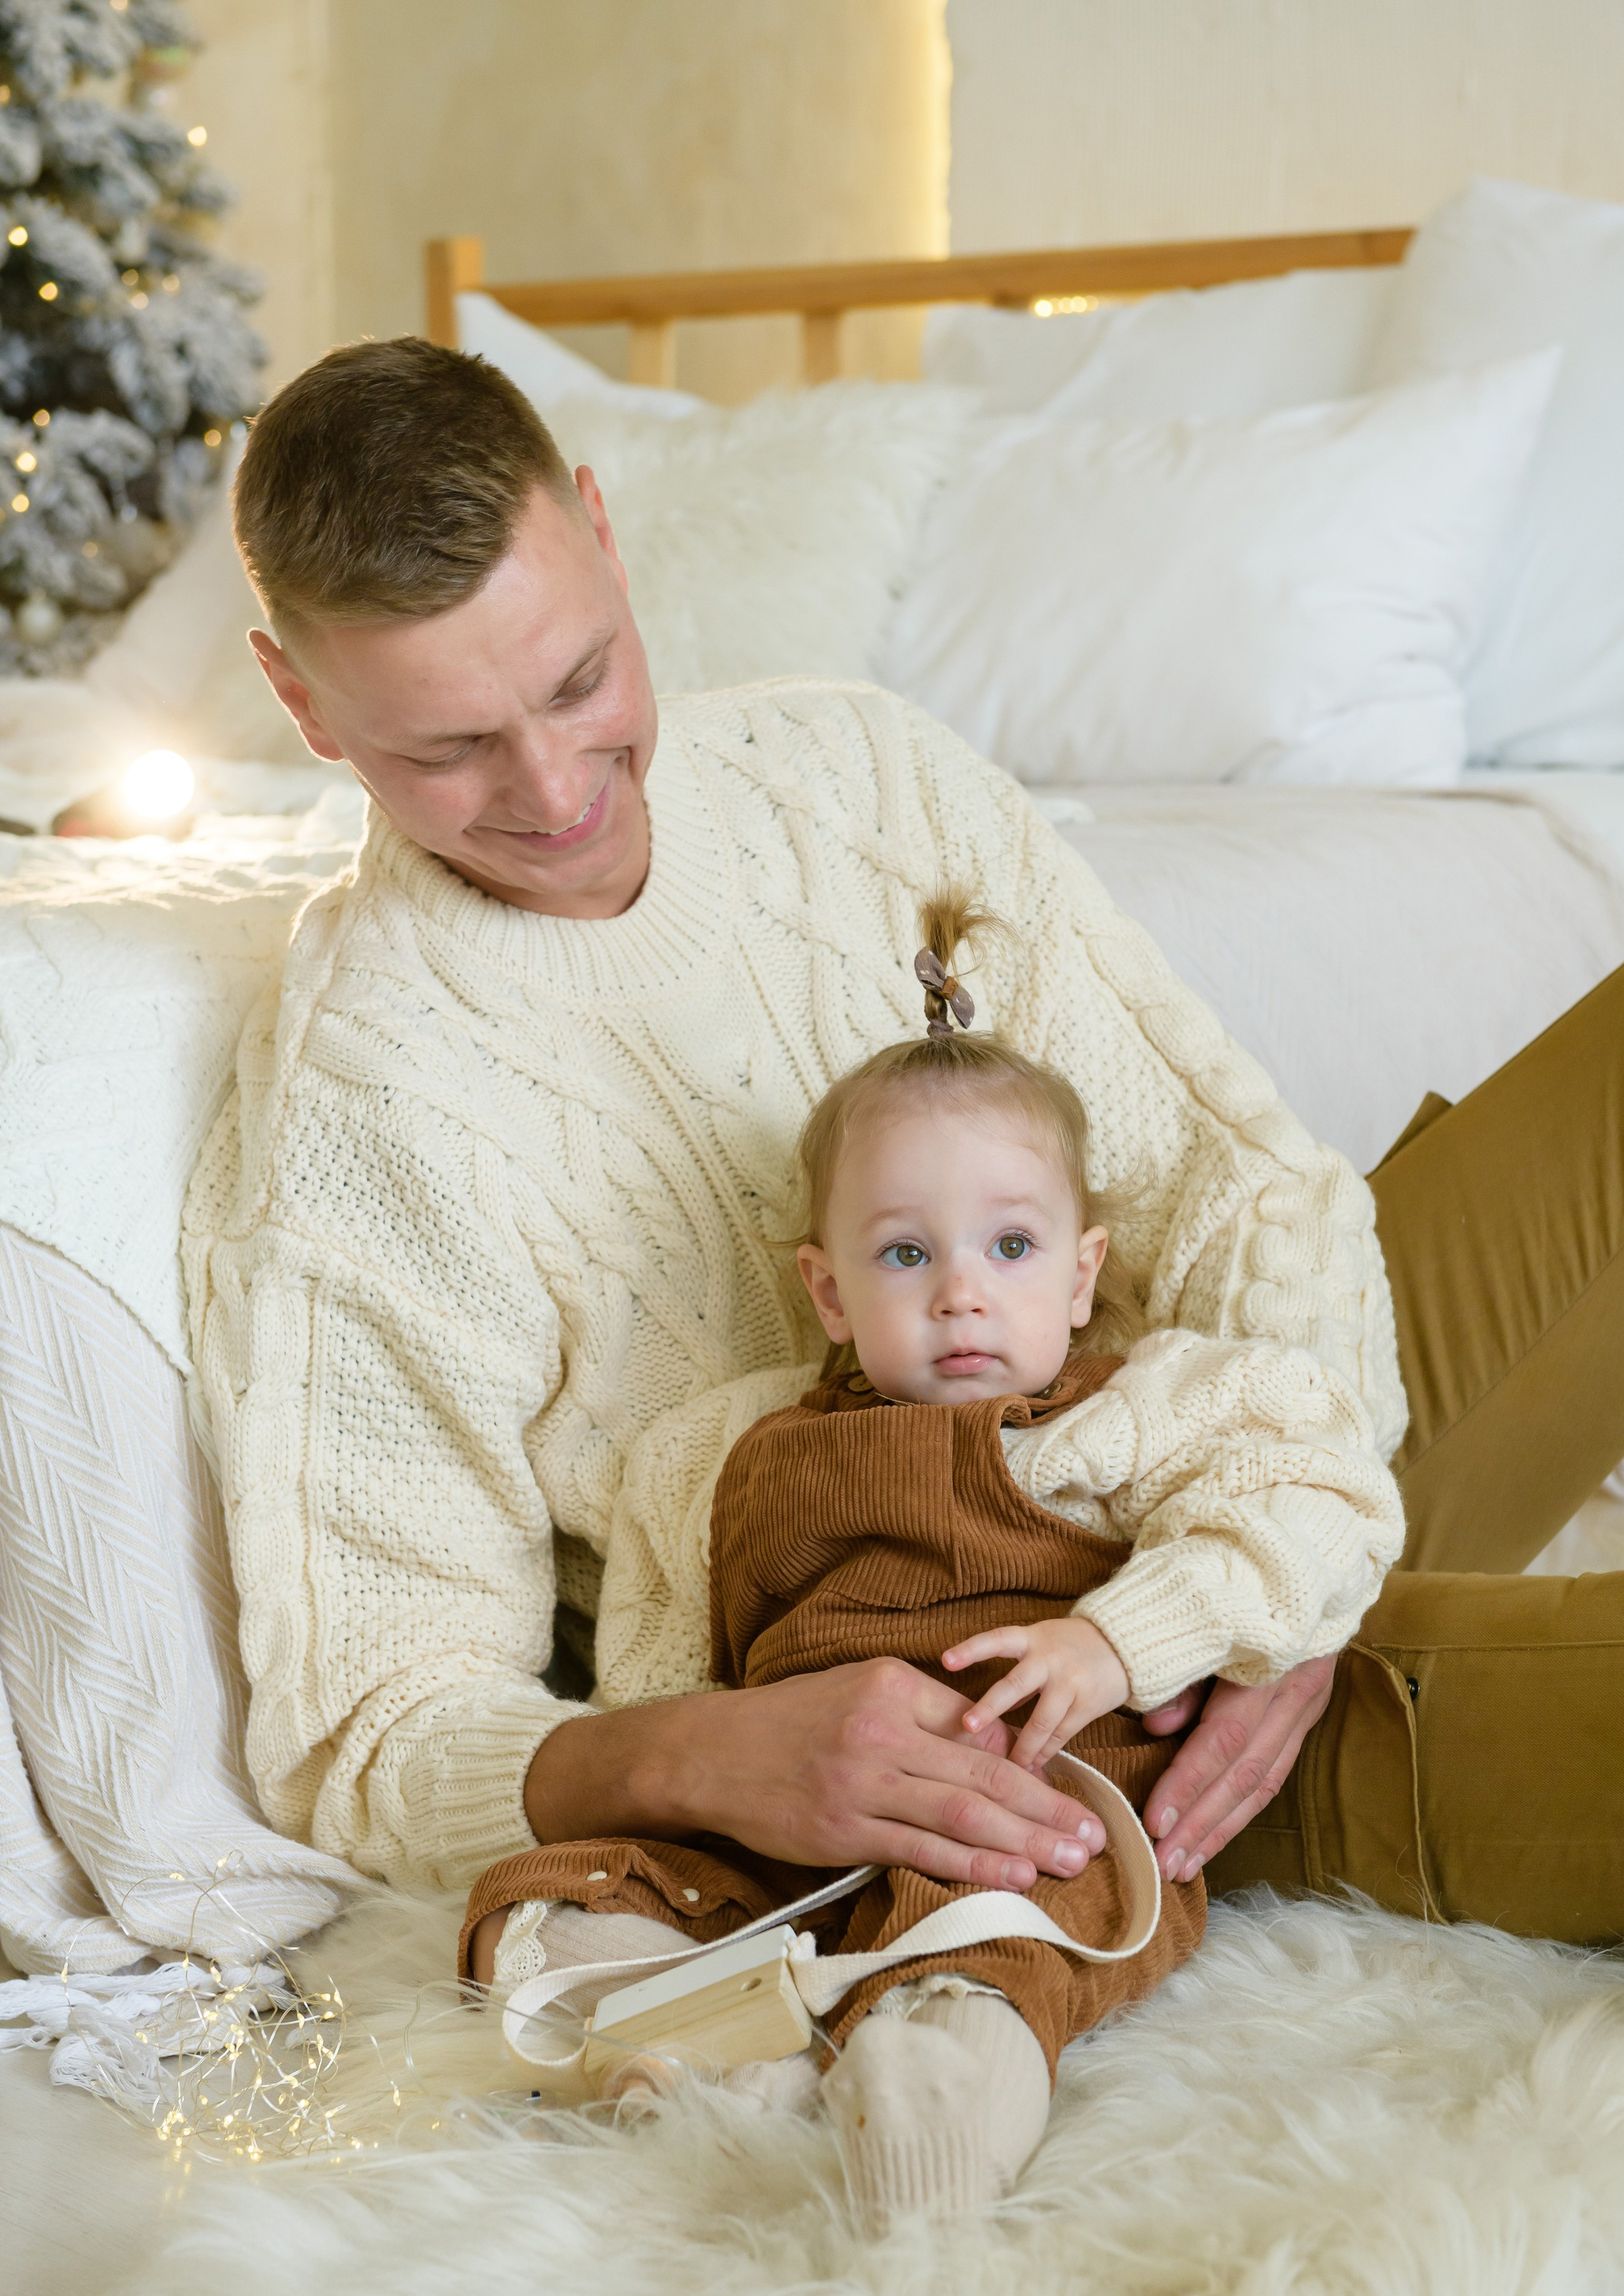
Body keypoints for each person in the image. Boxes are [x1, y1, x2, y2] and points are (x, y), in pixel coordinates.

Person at [181, 334, 1624, 2007]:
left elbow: (1230, 1187)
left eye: (582, 682)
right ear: (301, 701)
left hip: (1228, 1483)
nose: (559, 790)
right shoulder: (359, 1115)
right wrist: (703, 1757)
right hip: (1031, 1730)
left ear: (602, 529)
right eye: (450, 752)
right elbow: (372, 1721)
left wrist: (1272, 1595)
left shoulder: (858, 772)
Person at [456, 889, 1403, 2221]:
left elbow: (1316, 1493)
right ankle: (697, 2058)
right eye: (905, 1254)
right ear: (829, 1290)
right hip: (784, 1829)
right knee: (541, 1903)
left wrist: (1122, 1638)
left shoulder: (1128, 1410)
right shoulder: (716, 1451)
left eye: (1008, 1248)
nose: (960, 1291)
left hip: (1026, 1821)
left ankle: (926, 2133)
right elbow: (663, 1667)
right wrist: (690, 1791)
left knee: (984, 1958)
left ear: (1078, 1278)